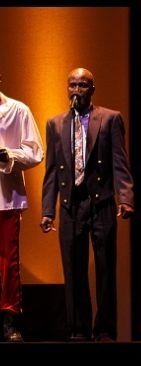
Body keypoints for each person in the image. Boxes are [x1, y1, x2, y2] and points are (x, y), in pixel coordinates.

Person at [40, 68, 134, 342]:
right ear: (66, 88)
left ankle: (104, 329)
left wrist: (125, 198)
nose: (77, 90)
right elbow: (51, 173)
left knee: (105, 268)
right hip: (71, 205)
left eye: (83, 85)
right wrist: (48, 210)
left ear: (92, 89)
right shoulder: (55, 124)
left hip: (101, 202)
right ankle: (78, 329)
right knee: (73, 268)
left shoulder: (110, 118)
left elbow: (120, 162)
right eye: (72, 85)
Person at [0, 73, 44, 342]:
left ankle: (9, 319)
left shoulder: (17, 110)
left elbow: (35, 152)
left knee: (8, 263)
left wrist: (9, 155)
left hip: (5, 197)